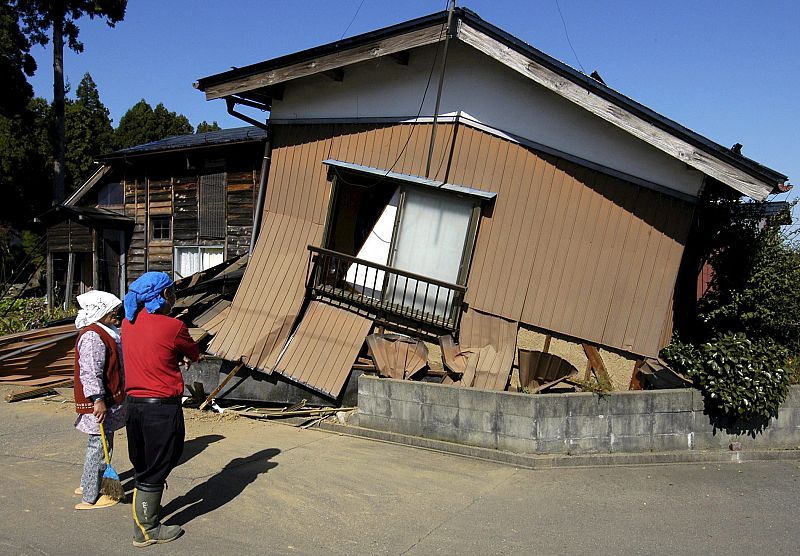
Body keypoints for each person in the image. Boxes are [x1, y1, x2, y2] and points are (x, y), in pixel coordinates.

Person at [121, 271, 199, 547]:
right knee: (159, 464)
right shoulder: (173, 327)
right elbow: (193, 353)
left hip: (134, 407)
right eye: (172, 293)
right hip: (162, 408)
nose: (174, 298)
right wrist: (180, 356)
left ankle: (144, 514)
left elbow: (153, 352)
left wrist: (172, 356)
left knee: (142, 464)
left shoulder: (128, 323)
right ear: (164, 295)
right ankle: (147, 529)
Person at [72, 290, 125, 511]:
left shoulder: (108, 331)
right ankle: (91, 495)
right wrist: (98, 399)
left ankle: (87, 484)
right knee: (99, 447)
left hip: (107, 398)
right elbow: (90, 372)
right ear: (99, 311)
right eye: (112, 309)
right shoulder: (93, 336)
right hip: (101, 401)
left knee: (99, 444)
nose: (116, 312)